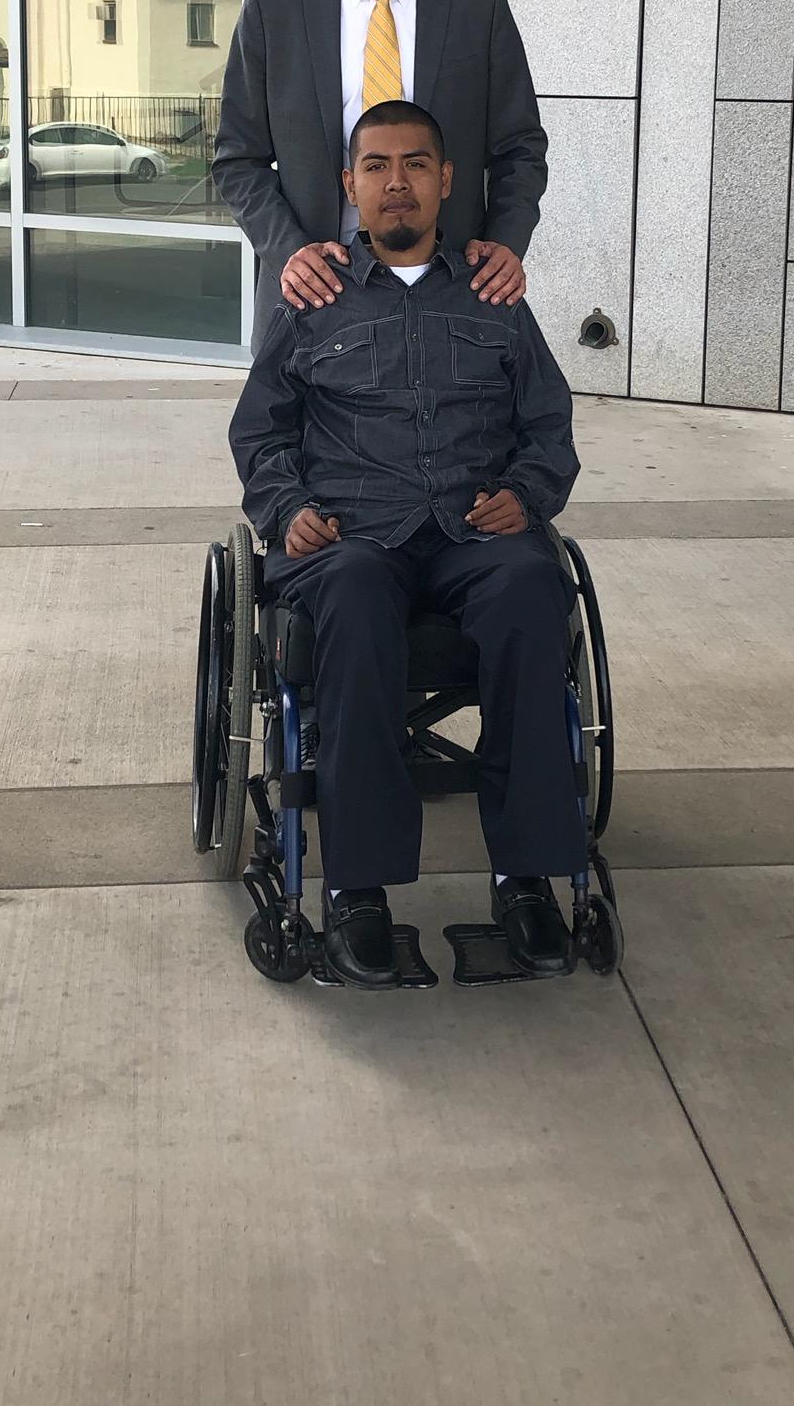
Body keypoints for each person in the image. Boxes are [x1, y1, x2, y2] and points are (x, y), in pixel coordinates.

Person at [229, 101, 587, 989]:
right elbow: (259, 433)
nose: (397, 182)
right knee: (349, 593)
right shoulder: (314, 297)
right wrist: (286, 508)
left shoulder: (493, 294)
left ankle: (527, 880)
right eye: (377, 166)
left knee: (532, 592)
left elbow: (548, 425)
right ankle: (358, 892)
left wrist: (530, 494)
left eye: (416, 165)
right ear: (350, 185)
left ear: (445, 182)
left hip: (475, 529)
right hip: (352, 536)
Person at [213, 0, 547, 343]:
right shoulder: (274, 7)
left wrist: (507, 242)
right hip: (315, 291)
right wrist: (288, 252)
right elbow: (238, 158)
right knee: (289, 433)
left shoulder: (477, 4)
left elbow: (520, 148)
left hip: (451, 292)